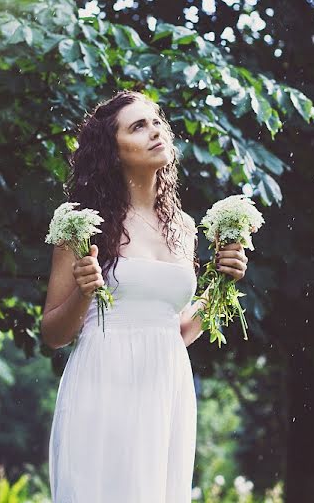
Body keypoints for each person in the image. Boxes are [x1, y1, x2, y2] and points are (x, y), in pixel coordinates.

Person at [42, 90, 248, 503]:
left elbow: (178, 329)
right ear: (113, 153)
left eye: (156, 121)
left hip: (167, 385)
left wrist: (223, 285)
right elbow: (53, 333)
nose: (155, 131)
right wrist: (85, 293)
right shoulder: (84, 226)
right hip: (104, 380)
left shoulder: (185, 227)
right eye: (138, 126)